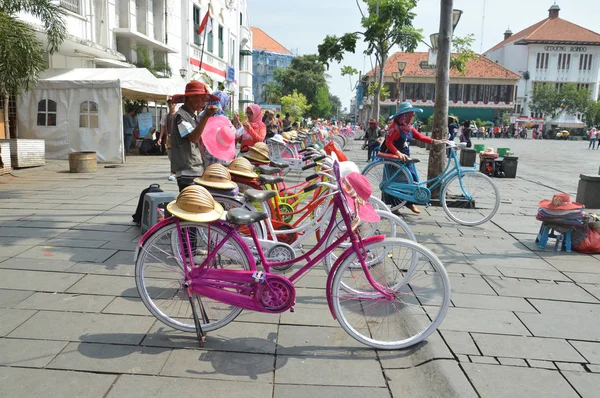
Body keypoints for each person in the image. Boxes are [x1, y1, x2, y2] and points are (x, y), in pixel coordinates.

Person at [385, 102, 445, 214]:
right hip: (395, 159)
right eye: (411, 115)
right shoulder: (395, 128)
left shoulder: (409, 128)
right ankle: (395, 206)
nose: (413, 117)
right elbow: (389, 143)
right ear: (405, 116)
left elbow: (420, 137)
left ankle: (410, 203)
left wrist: (435, 141)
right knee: (396, 183)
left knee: (413, 180)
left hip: (406, 159)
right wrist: (398, 153)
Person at [169, 80, 219, 193]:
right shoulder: (180, 116)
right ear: (191, 97)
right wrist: (206, 117)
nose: (203, 103)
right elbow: (193, 137)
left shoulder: (192, 116)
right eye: (201, 98)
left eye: (205, 99)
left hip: (195, 166)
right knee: (191, 202)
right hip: (187, 169)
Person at [158, 97, 177, 180]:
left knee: (175, 156)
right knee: (170, 156)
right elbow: (162, 127)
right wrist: (160, 138)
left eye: (172, 103)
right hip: (168, 138)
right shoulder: (165, 116)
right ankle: (174, 172)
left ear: (175, 104)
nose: (171, 105)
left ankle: (174, 172)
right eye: (169, 103)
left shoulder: (178, 115)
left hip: (177, 139)